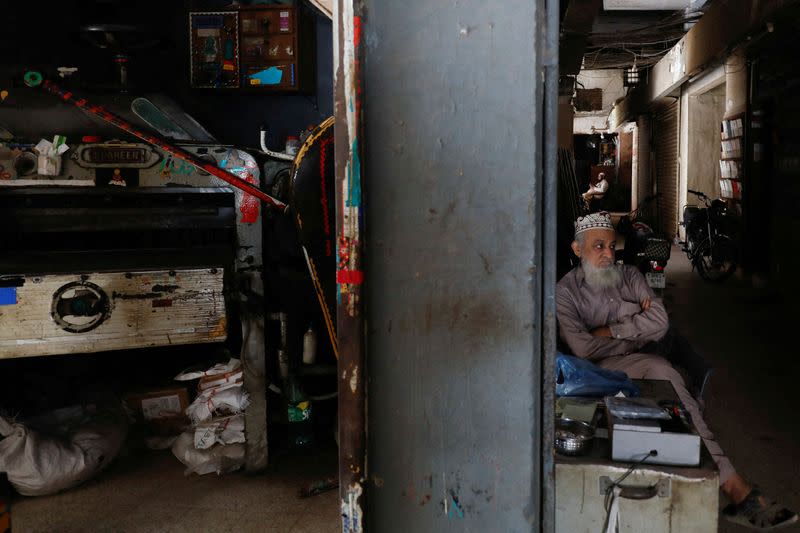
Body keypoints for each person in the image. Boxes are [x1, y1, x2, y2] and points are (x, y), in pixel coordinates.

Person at [556, 211, 798, 531]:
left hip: (640, 353)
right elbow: (583, 349)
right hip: (599, 368)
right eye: (597, 246)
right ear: (577, 250)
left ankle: (714, 477)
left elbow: (659, 323)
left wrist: (608, 331)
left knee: (676, 380)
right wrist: (632, 329)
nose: (607, 254)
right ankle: (737, 490)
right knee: (665, 374)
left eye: (612, 246)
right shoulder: (566, 292)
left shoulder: (628, 276)